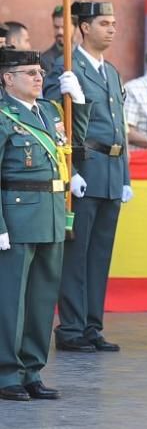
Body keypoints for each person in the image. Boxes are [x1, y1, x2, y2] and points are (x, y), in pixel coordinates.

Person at [0, 47, 89, 401]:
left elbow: (72, 146)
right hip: (18, 216)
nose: (39, 77)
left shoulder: (50, 111)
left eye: (40, 72)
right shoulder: (4, 116)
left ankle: (31, 369)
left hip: (51, 215)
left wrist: (78, 104)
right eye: (29, 73)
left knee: (40, 299)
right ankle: (7, 373)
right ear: (7, 78)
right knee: (12, 300)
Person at [46, 1, 131, 353]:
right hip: (86, 168)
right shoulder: (65, 68)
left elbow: (119, 128)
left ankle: (93, 325)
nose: (112, 29)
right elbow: (55, 121)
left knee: (99, 255)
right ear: (84, 27)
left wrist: (124, 175)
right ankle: (71, 328)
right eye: (104, 23)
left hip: (111, 172)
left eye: (114, 23)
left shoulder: (110, 71)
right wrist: (73, 171)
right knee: (76, 255)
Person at [40, 6, 69, 75]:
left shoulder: (83, 55)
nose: (60, 32)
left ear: (75, 27)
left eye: (64, 27)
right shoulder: (45, 60)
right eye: (56, 27)